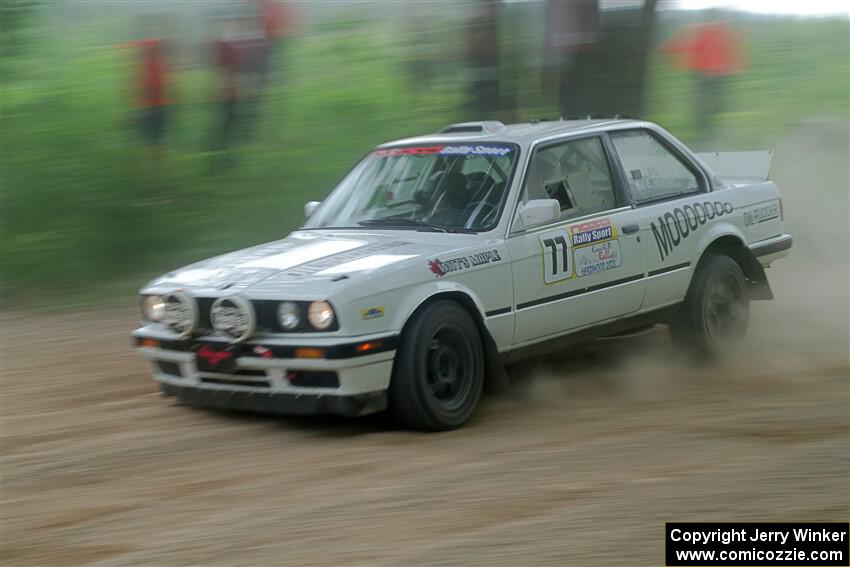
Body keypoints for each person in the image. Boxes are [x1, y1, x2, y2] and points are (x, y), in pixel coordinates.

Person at [660, 13, 748, 143]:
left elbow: (686, 45)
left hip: (706, 75)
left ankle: (706, 127)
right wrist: (736, 66)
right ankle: (708, 127)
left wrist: (666, 49)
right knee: (712, 103)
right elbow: (734, 47)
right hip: (714, 75)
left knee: (705, 103)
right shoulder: (721, 31)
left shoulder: (706, 31)